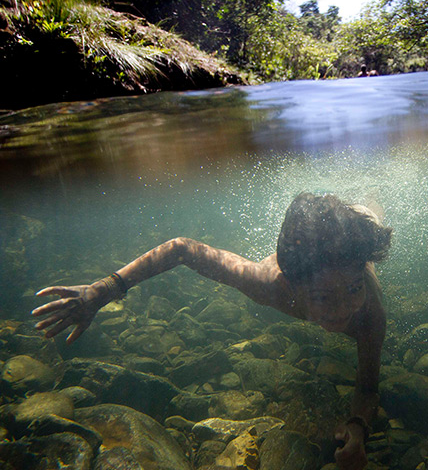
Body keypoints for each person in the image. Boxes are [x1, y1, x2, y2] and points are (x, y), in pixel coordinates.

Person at [31, 192, 392, 470]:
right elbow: (182, 250)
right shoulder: (267, 283)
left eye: (353, 288)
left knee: (369, 217)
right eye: (323, 297)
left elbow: (368, 386)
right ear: (292, 285)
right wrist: (103, 291)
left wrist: (359, 425)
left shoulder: (370, 314)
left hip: (352, 234)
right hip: (303, 256)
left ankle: (366, 203)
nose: (344, 309)